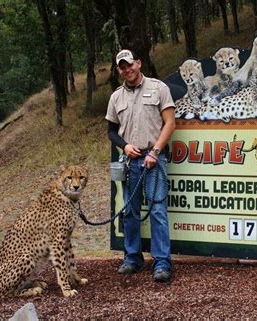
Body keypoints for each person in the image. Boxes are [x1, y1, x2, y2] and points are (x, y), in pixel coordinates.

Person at [106, 49, 176, 282]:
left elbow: (170, 123)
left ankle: (162, 263)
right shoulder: (116, 97)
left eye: (130, 64)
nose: (127, 69)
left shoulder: (159, 88)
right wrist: (125, 147)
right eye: (122, 67)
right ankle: (133, 258)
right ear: (119, 70)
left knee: (157, 210)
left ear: (138, 63)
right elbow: (111, 131)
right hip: (130, 162)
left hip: (154, 160)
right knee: (130, 212)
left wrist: (155, 151)